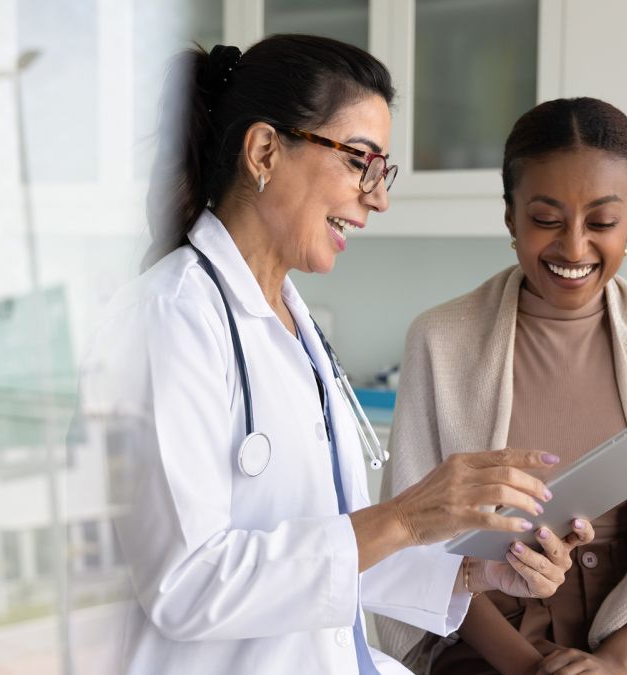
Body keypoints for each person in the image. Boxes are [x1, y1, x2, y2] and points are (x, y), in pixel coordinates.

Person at [79, 36, 597, 674]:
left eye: (382, 171)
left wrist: (474, 569)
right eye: (359, 161)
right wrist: (406, 517)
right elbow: (187, 584)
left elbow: (324, 546)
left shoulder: (293, 323)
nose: (377, 197)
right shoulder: (166, 319)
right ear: (265, 150)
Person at [377, 97, 627, 674]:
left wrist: (611, 664)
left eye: (602, 222)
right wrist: (529, 666)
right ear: (510, 217)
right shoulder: (441, 340)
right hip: (492, 628)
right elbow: (416, 548)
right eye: (546, 219)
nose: (574, 248)